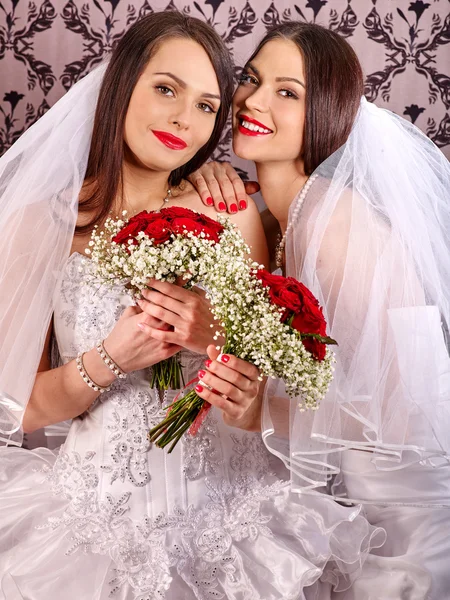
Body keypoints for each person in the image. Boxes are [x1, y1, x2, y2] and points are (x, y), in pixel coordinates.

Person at [0, 13, 381, 600]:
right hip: (92, 519)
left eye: (207, 105)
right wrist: (107, 360)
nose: (185, 117)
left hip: (231, 520)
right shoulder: (43, 223)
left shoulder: (231, 212)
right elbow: (15, 411)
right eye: (166, 89)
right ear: (121, 85)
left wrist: (236, 375)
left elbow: (263, 375)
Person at [189, 21, 450, 600]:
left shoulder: (335, 223)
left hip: (399, 515)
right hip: (348, 495)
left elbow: (401, 418)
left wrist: (262, 412)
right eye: (252, 80)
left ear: (327, 112)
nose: (253, 101)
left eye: (288, 92)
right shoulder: (284, 214)